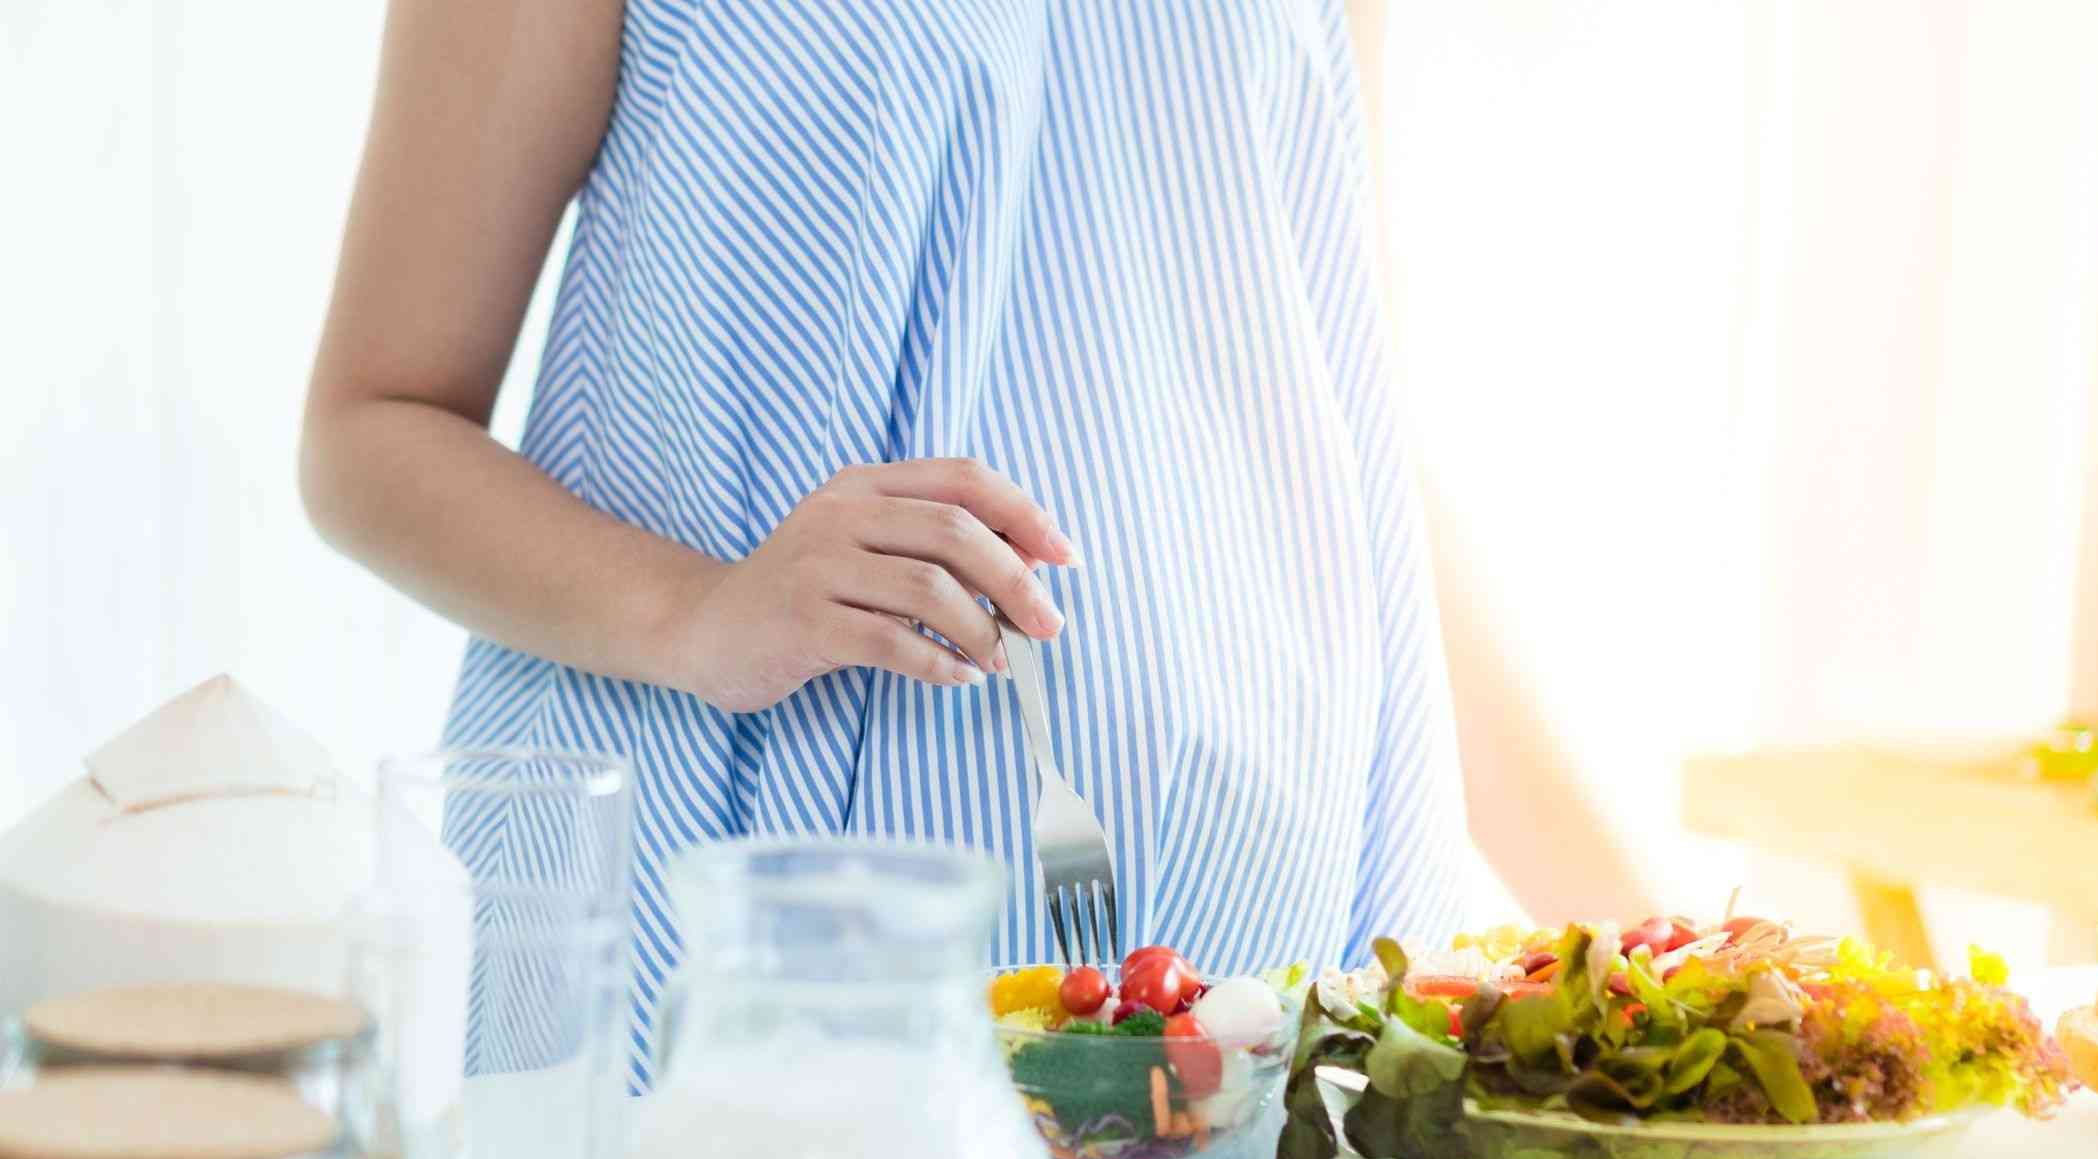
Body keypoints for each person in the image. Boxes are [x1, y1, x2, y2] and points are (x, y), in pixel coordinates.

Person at [304, 0, 1474, 1086]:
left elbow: (1337, 376)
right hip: (731, 945)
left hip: (1265, 939)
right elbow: (369, 426)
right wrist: (694, 613)